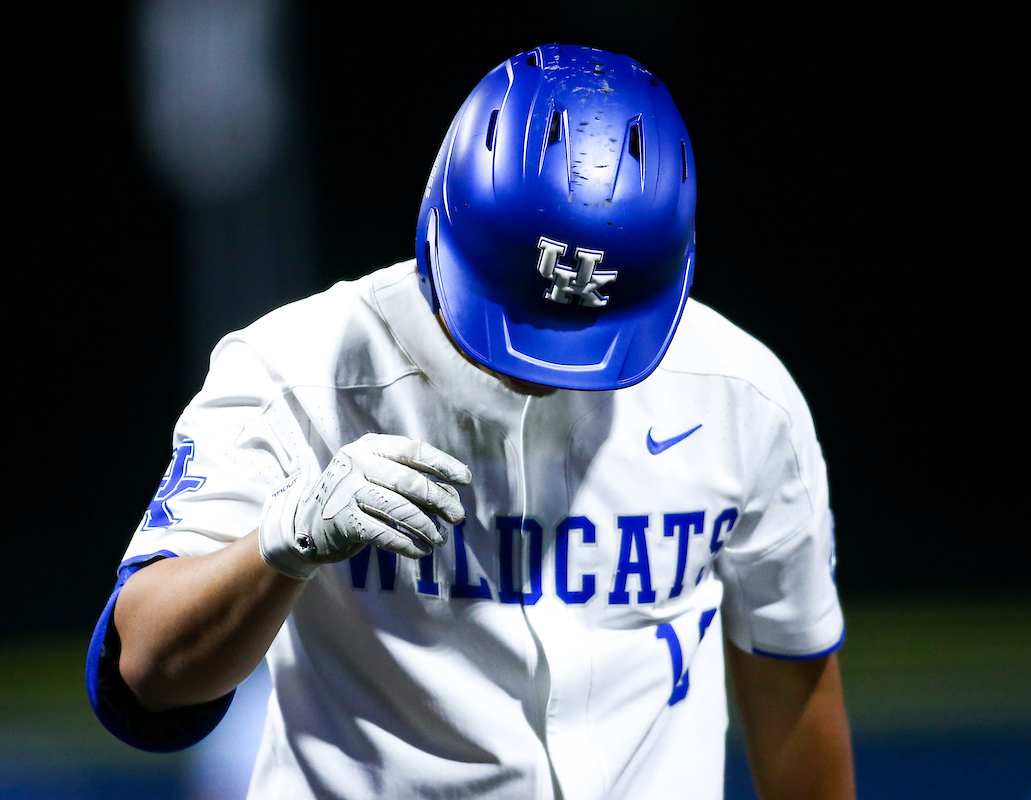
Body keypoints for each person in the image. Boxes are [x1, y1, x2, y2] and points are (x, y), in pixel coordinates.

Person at [87, 43, 855, 799]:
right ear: (439, 223)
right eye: (518, 320)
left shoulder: (743, 397)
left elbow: (790, 678)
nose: (546, 368)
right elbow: (144, 676)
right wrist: (280, 547)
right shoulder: (297, 370)